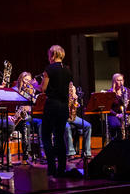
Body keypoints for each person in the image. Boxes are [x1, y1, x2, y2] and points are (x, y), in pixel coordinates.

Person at [40, 45, 73, 177]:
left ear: (52, 55)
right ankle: (62, 168)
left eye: (49, 55)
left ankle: (52, 168)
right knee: (59, 136)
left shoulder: (49, 69)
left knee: (46, 136)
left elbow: (43, 88)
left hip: (52, 105)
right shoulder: (67, 70)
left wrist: (33, 84)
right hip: (64, 106)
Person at [14, 71, 41, 160]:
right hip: (16, 118)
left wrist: (32, 95)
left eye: (29, 80)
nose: (27, 82)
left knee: (41, 123)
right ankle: (27, 152)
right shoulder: (15, 90)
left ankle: (42, 150)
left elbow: (33, 105)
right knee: (27, 124)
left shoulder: (31, 91)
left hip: (27, 116)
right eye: (26, 80)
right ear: (21, 80)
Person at [107, 73, 130, 141]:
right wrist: (117, 114)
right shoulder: (109, 92)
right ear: (114, 81)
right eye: (118, 80)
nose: (121, 82)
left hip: (126, 114)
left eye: (122, 80)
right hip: (114, 115)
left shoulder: (127, 91)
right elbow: (107, 108)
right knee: (117, 126)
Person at [65, 83, 92, 159]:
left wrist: (75, 99)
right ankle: (70, 152)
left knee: (88, 126)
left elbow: (76, 104)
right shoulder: (59, 87)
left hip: (72, 116)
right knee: (67, 128)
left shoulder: (72, 87)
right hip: (62, 116)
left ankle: (87, 152)